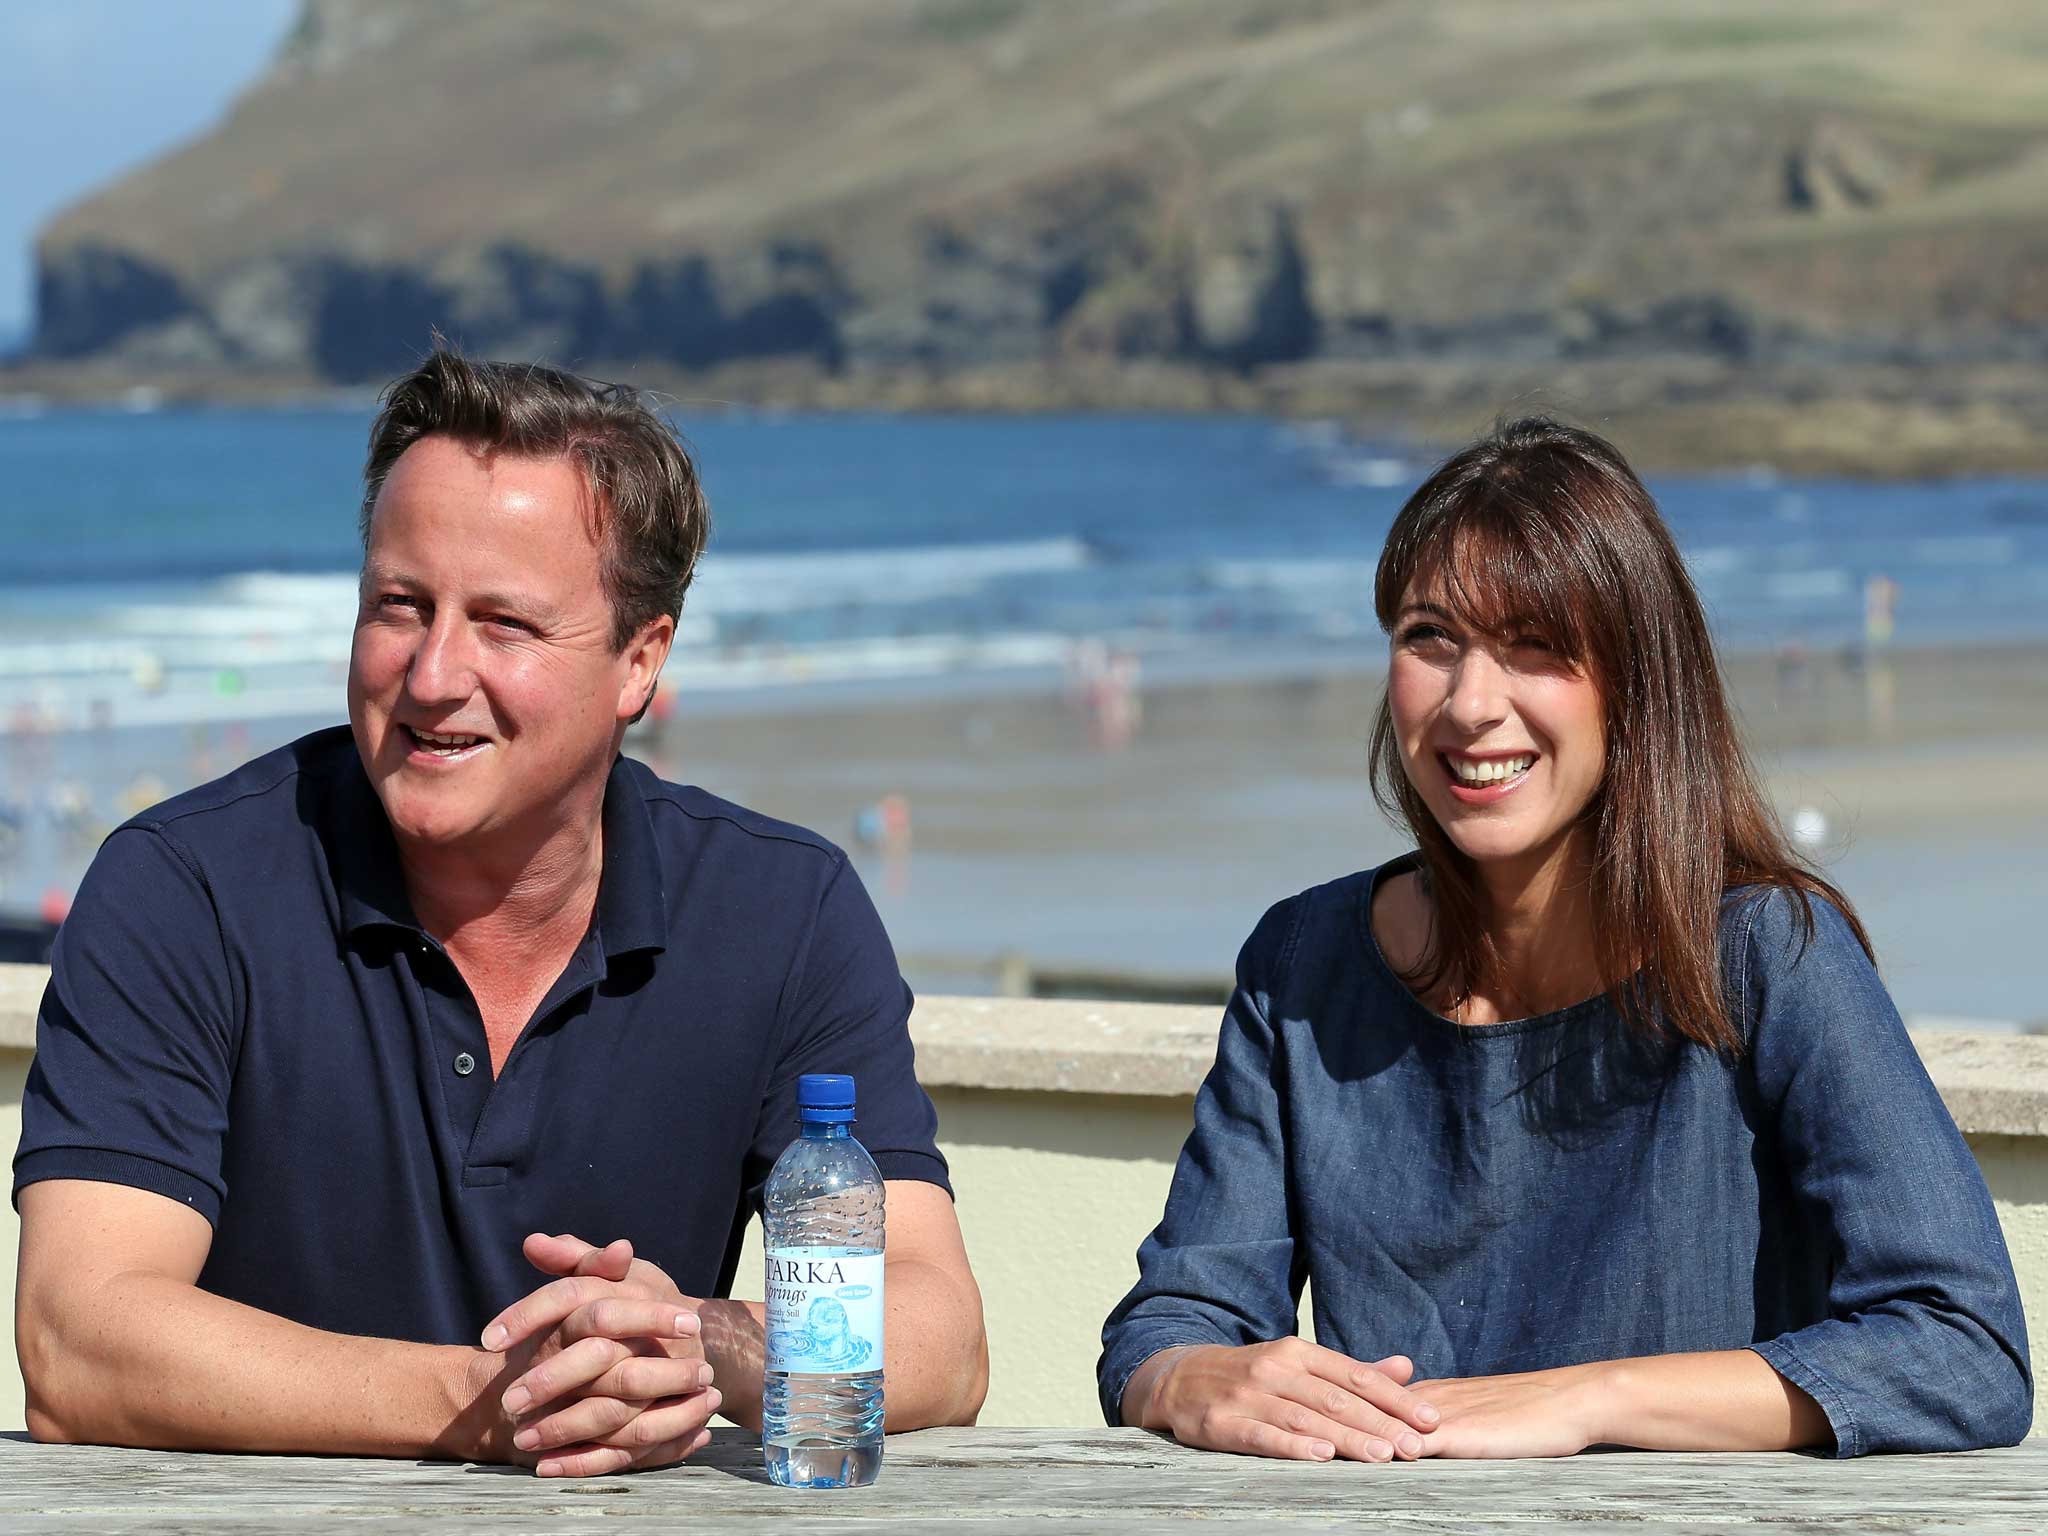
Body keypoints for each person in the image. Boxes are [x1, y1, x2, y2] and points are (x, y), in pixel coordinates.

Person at [14, 351, 988, 1476]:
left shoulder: (782, 908)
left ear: (640, 662)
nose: (431, 675)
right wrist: (500, 1398)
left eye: (504, 625)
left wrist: (694, 1343)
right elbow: (77, 1344)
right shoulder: (182, 886)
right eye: (399, 606)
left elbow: (943, 1340)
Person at [1100, 417, 2031, 1462]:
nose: (1470, 704)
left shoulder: (1769, 951)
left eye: (1535, 649)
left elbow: (1963, 1351)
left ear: (1632, 685)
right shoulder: (1301, 963)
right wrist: (1188, 1374)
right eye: (1428, 639)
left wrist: (1583, 1402)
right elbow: (1170, 1317)